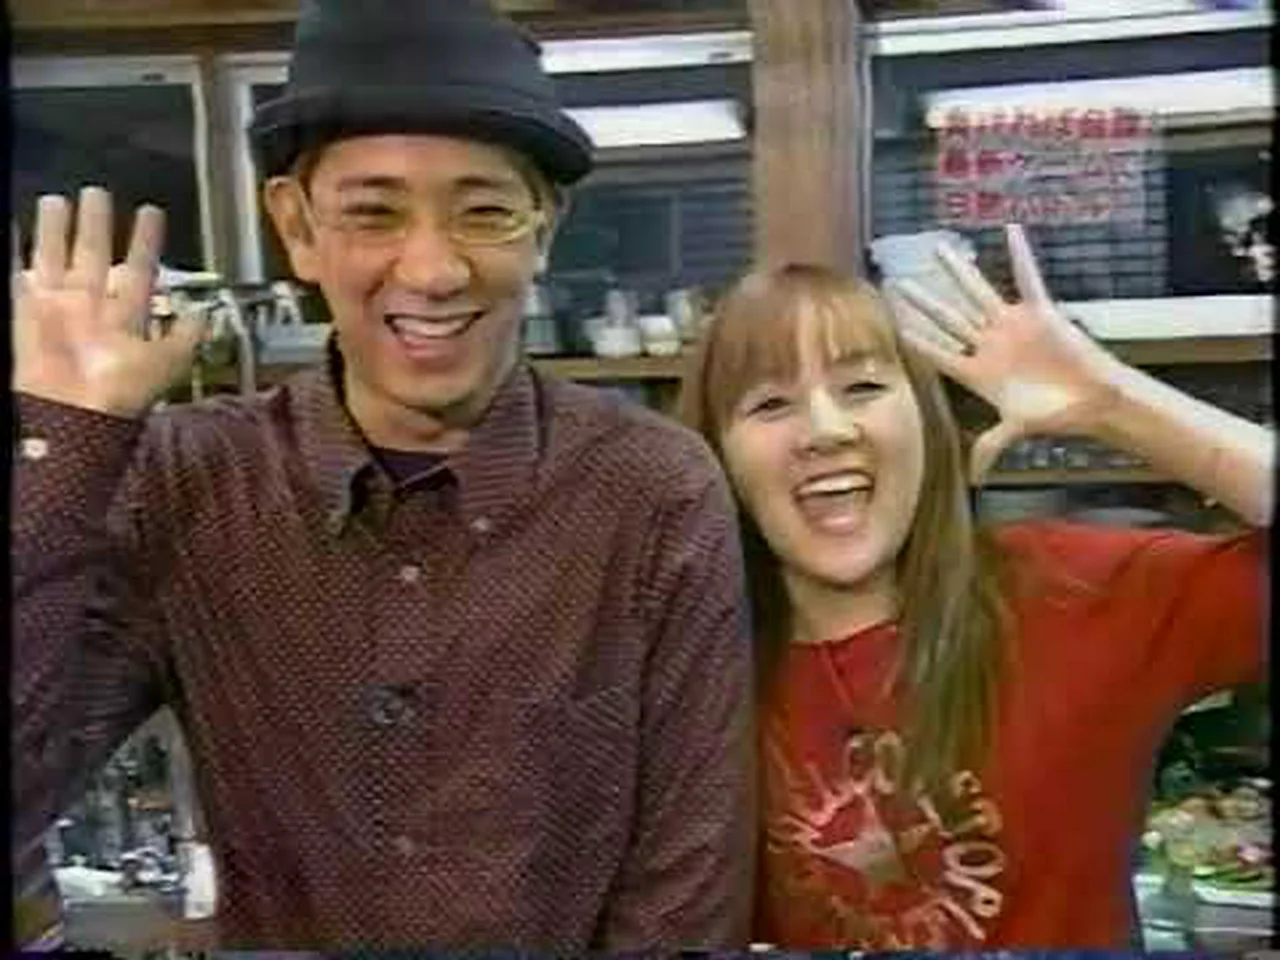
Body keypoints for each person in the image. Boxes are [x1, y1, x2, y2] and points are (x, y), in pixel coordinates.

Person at [11, 0, 753, 950]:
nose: (433, 269)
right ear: (297, 227)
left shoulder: (650, 490)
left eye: (484, 211)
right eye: (374, 212)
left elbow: (684, 897)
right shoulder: (190, 480)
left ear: (544, 229)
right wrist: (68, 448)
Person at [677, 223, 1270, 949]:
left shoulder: (1072, 594)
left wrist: (1111, 402)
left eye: (863, 387)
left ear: (927, 422)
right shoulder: (695, 675)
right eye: (771, 404)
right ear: (716, 456)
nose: (827, 430)